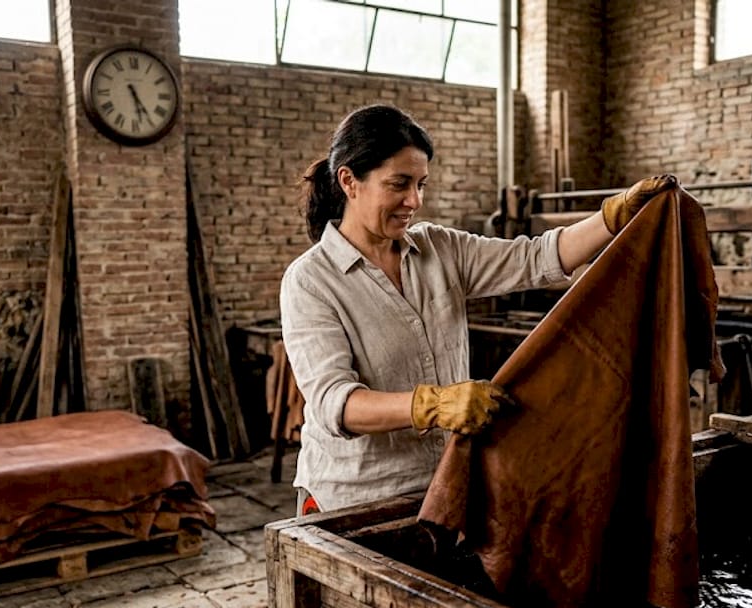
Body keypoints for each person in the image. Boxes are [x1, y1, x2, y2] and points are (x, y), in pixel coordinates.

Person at [280, 104, 674, 515]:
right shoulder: (310, 281)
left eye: (421, 184)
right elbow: (334, 404)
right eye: (399, 184)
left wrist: (613, 216)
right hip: (353, 500)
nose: (414, 200)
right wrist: (431, 405)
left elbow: (536, 258)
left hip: (444, 487)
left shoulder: (438, 248)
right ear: (349, 181)